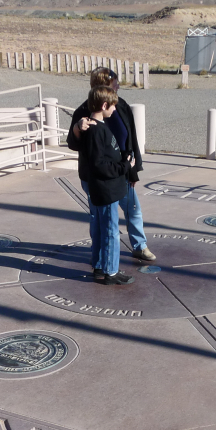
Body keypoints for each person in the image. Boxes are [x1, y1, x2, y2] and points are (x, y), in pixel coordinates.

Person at [67, 67, 155, 266]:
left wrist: (133, 170)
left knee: (133, 209)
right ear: (101, 86)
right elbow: (73, 143)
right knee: (99, 219)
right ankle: (99, 259)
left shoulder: (120, 105)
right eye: (114, 83)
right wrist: (76, 128)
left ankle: (139, 246)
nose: (118, 86)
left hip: (122, 172)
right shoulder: (83, 112)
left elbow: (131, 138)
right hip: (97, 178)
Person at [78, 85, 136, 286]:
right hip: (105, 190)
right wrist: (125, 165)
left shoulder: (98, 128)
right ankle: (111, 272)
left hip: (106, 189)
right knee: (111, 231)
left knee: (103, 229)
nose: (114, 110)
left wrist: (122, 158)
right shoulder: (96, 131)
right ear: (104, 105)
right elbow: (99, 165)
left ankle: (101, 267)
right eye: (112, 106)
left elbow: (104, 156)